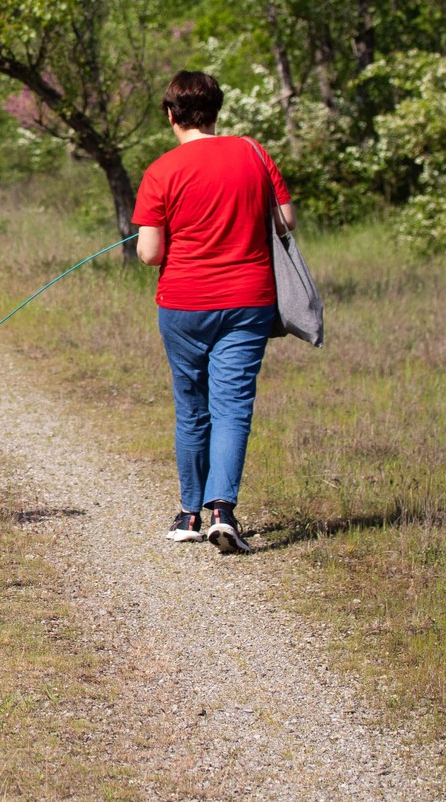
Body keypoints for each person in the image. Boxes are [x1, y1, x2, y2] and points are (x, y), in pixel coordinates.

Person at [132, 71, 294, 554]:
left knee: (192, 407)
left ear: (170, 115)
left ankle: (188, 513)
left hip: (184, 304)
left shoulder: (162, 170)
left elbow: (149, 254)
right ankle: (223, 510)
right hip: (248, 301)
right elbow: (285, 220)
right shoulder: (253, 153)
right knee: (233, 407)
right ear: (217, 111)